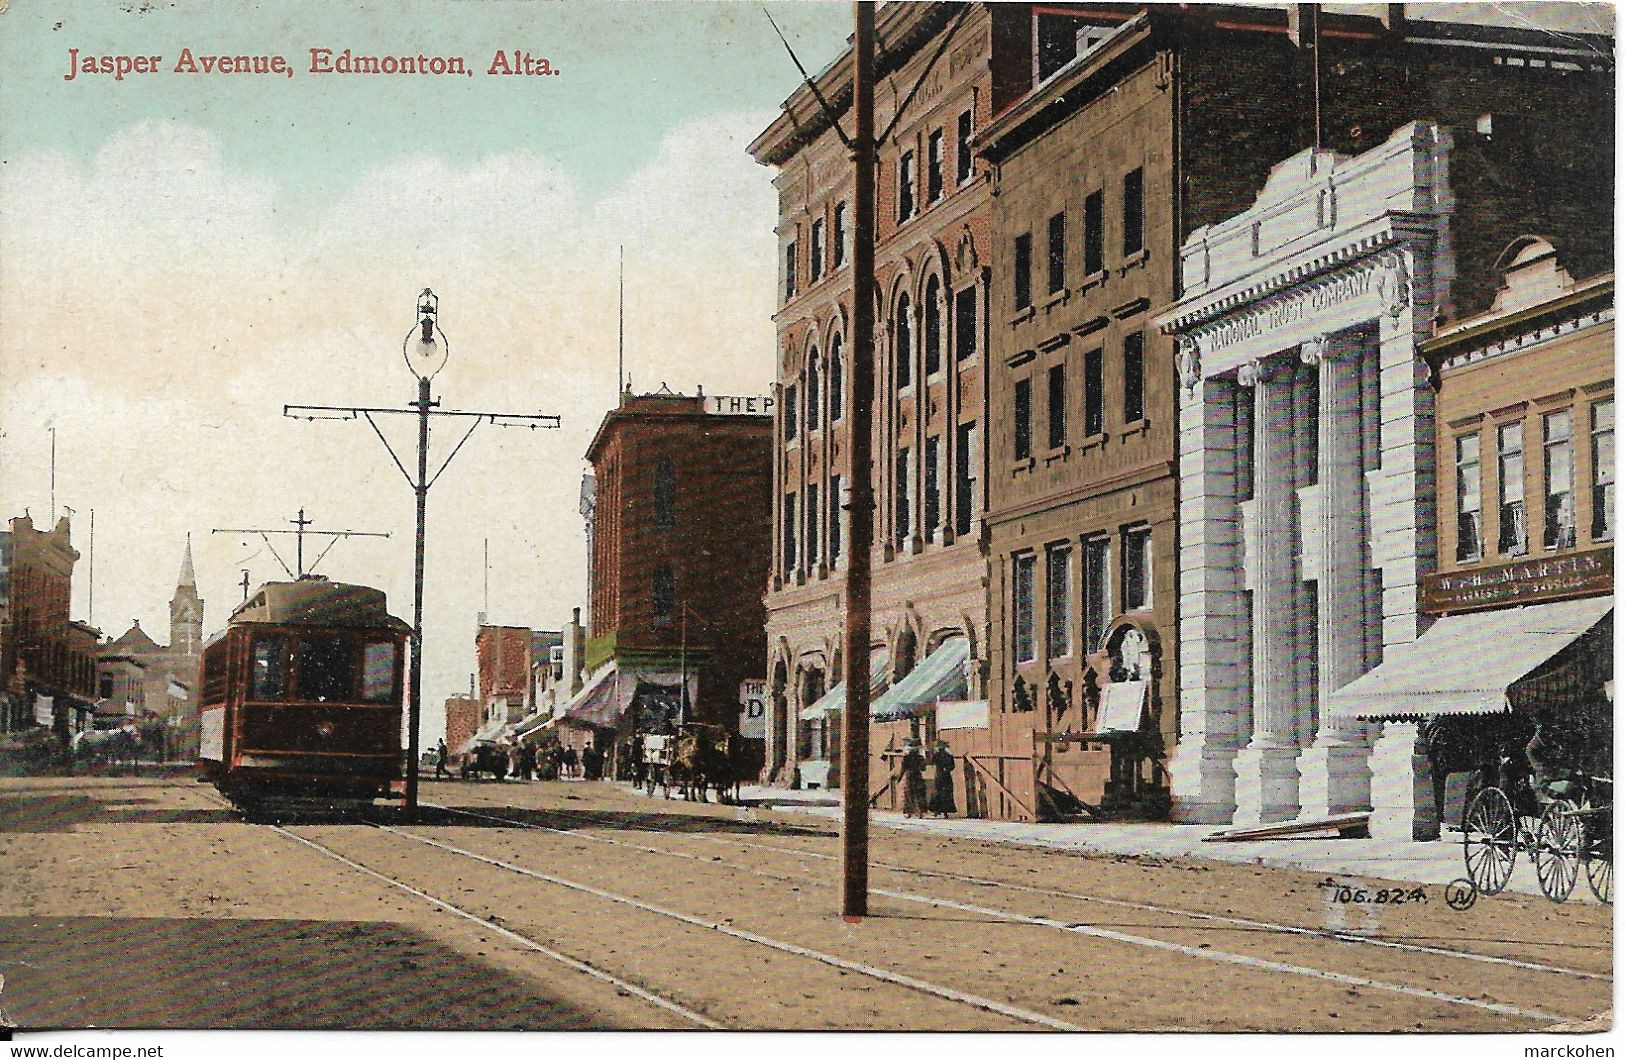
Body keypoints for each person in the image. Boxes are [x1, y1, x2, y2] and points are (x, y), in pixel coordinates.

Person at [899, 739, 927, 818]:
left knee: (909, 794)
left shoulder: (906, 758)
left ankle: (909, 812)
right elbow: (923, 768)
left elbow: (903, 769)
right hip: (917, 776)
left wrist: (899, 778)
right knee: (919, 794)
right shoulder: (920, 758)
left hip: (909, 776)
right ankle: (920, 812)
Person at [928, 741, 957, 818]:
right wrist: (947, 769)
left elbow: (931, 762)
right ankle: (945, 812)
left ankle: (936, 811)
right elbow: (952, 766)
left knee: (938, 792)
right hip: (946, 776)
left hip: (939, 776)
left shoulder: (937, 755)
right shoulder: (948, 755)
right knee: (946, 793)